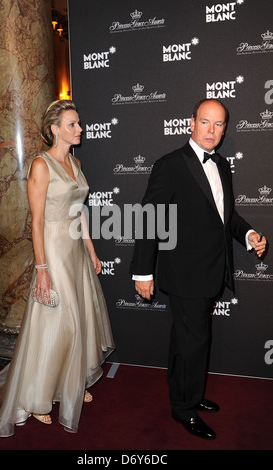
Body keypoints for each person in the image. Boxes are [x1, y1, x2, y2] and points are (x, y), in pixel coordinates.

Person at [130, 99, 267, 440]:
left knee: (185, 341)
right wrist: (142, 272)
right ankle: (185, 409)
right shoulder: (171, 165)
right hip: (185, 274)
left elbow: (226, 215)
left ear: (224, 129)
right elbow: (150, 220)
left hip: (211, 271)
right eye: (205, 122)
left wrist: (247, 235)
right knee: (194, 343)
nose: (211, 130)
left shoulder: (221, 165)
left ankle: (185, 395)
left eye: (219, 124)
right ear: (191, 122)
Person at [0, 100, 115, 437]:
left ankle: (69, 381)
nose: (79, 129)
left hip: (75, 252)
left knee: (78, 321)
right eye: (72, 124)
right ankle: (38, 397)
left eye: (78, 123)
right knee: (56, 324)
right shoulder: (41, 165)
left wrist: (92, 251)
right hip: (53, 251)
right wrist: (41, 268)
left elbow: (79, 212)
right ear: (55, 129)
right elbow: (36, 223)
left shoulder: (75, 161)